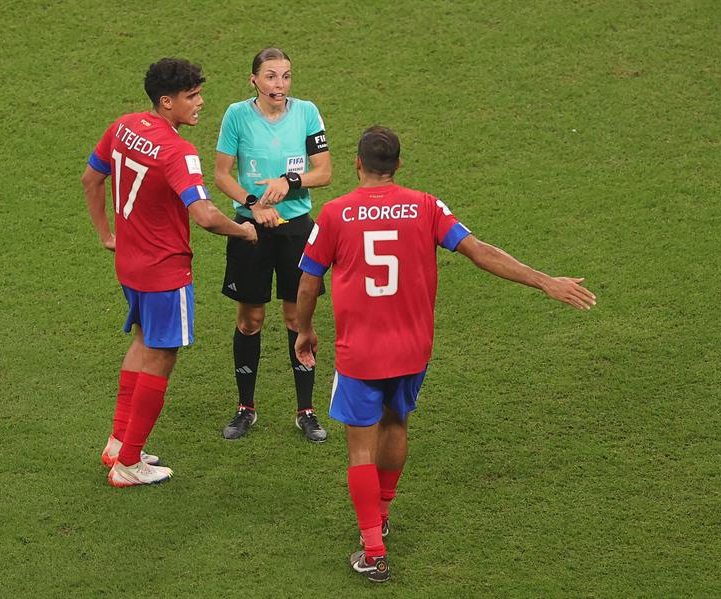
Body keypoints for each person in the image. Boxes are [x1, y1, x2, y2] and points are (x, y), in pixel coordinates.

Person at [294, 126, 597, 582]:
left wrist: (305, 330)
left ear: (357, 164)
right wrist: (544, 280)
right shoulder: (426, 206)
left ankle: (374, 550)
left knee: (360, 449)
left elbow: (308, 282)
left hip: (361, 352)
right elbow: (479, 251)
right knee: (396, 423)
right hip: (412, 349)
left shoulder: (335, 213)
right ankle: (383, 514)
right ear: (398, 165)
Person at [81, 58, 257, 487]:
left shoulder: (124, 126)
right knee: (162, 356)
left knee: (142, 341)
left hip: (130, 264)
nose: (200, 103)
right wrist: (244, 231)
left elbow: (90, 178)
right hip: (164, 272)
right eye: (191, 96)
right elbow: (205, 215)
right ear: (166, 102)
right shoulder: (178, 151)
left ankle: (117, 443)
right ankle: (129, 463)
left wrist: (106, 235)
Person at [214, 47, 332, 442]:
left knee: (298, 319)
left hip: (296, 229)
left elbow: (324, 172)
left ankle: (306, 411)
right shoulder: (236, 115)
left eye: (285, 76)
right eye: (270, 76)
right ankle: (245, 408)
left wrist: (289, 181)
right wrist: (253, 204)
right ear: (254, 80)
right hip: (250, 230)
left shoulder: (307, 112)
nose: (279, 84)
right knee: (250, 319)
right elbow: (222, 175)